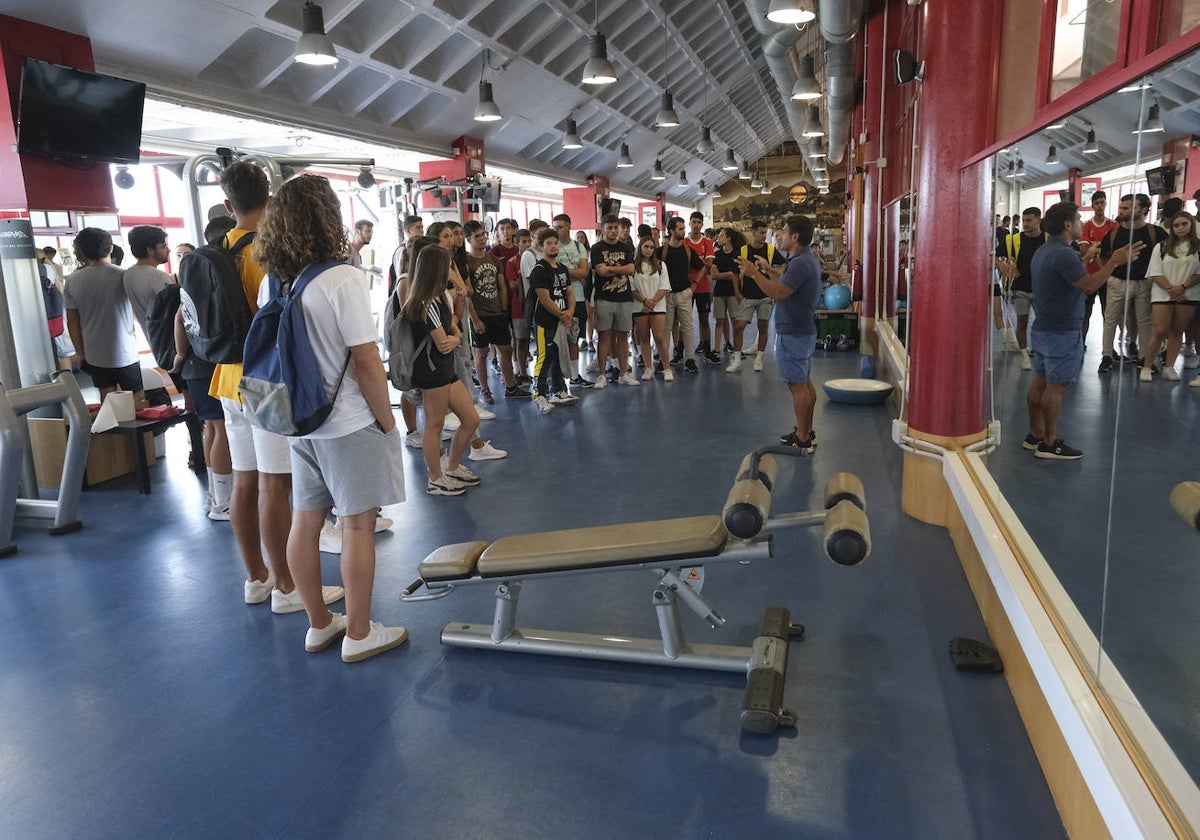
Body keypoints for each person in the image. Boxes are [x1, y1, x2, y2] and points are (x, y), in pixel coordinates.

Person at [254, 174, 406, 662]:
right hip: (347, 422)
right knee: (358, 528)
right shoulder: (343, 279)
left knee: (306, 521)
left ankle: (319, 624)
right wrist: (388, 422)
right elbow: (365, 362)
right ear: (329, 218)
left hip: (300, 420)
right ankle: (360, 633)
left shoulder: (273, 281)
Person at [208, 162, 342, 612]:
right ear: (270, 198)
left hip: (226, 380)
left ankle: (256, 578)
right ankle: (287, 587)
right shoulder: (266, 253)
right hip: (266, 380)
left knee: (244, 483)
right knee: (275, 484)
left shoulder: (220, 249)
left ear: (229, 204)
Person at [1024, 202, 1143, 460]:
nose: (1081, 223)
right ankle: (1049, 442)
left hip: (1044, 327)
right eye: (1078, 219)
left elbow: (1062, 276)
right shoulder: (1064, 255)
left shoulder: (1046, 251)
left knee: (1041, 381)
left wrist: (1085, 259)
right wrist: (1113, 262)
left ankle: (1034, 434)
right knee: (1056, 387)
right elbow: (1088, 286)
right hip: (1062, 331)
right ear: (1068, 225)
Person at [735, 215, 823, 454]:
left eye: (783, 232)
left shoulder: (800, 262)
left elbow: (780, 292)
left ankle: (803, 438)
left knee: (798, 386)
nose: (779, 236)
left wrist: (754, 274)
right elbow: (785, 282)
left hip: (793, 333)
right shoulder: (802, 260)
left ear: (795, 237)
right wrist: (767, 269)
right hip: (800, 330)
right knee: (803, 383)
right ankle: (806, 431)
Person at [402, 245, 482, 495]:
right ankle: (435, 477)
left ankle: (453, 466)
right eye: (447, 266)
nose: (451, 270)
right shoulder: (423, 303)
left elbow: (455, 329)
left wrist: (455, 336)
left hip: (446, 370)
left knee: (471, 419)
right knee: (434, 424)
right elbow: (444, 342)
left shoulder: (438, 298)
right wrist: (455, 337)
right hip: (433, 371)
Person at [63, 227, 142, 400]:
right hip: (125, 351)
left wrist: (80, 353)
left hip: (94, 353)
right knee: (137, 400)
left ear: (82, 251)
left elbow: (72, 321)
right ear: (111, 248)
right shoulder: (124, 275)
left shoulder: (72, 280)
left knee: (109, 401)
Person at [1097, 194, 1168, 372]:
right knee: (1110, 319)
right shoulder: (1113, 233)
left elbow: (1169, 254)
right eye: (1121, 207)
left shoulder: (1155, 233)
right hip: (1117, 282)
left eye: (1127, 208)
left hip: (1144, 283)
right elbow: (1100, 253)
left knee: (1145, 321)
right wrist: (1107, 273)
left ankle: (1145, 357)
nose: (1122, 211)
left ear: (1143, 209)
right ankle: (1106, 355)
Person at [463, 220, 526, 401]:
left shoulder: (494, 260)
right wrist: (475, 319)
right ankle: (485, 390)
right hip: (480, 314)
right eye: (477, 236)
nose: (482, 239)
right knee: (481, 353)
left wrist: (504, 309)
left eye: (483, 235)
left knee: (506, 350)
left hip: (497, 313)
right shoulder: (467, 262)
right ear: (469, 240)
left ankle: (511, 387)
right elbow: (467, 294)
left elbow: (502, 287)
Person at [1141, 211, 1200, 383]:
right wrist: (1171, 289)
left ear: (1191, 225)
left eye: (1184, 224)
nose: (1180, 228)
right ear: (1171, 227)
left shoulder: (1197, 247)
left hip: (1188, 295)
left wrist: (1182, 287)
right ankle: (1146, 366)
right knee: (1160, 330)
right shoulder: (1162, 247)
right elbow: (1155, 272)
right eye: (1176, 225)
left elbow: (1198, 273)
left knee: (1177, 332)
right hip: (1162, 294)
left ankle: (1169, 367)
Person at [529, 227, 578, 412]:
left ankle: (558, 391)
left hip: (561, 321)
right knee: (544, 357)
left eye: (555, 243)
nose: (552, 246)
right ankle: (539, 395)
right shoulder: (539, 270)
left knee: (558, 355)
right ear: (541, 247)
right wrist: (562, 315)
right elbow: (545, 299)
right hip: (545, 322)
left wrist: (570, 311)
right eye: (548, 243)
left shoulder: (563, 268)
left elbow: (570, 292)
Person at [996, 207, 1048, 371]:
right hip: (1020, 288)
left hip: (1043, 290)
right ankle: (1025, 356)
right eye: (1023, 220)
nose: (1025, 224)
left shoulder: (1048, 239)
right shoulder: (1013, 239)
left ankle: (1042, 352)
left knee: (1043, 323)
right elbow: (994, 255)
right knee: (1022, 322)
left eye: (1029, 220)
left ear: (1038, 220)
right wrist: (1003, 266)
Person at [730, 220, 784, 373]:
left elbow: (784, 263)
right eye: (761, 232)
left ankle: (759, 358)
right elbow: (734, 273)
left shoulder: (771, 250)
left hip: (765, 296)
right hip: (747, 296)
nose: (763, 236)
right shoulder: (743, 250)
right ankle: (737, 359)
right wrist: (737, 292)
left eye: (765, 233)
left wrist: (776, 273)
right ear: (753, 233)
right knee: (738, 326)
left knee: (763, 327)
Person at [660, 216, 706, 374]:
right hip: (666, 295)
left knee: (687, 327)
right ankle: (663, 359)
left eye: (683, 228)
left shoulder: (688, 251)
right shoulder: (662, 251)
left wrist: (694, 285)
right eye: (680, 229)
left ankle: (690, 359)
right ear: (672, 231)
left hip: (684, 293)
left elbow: (702, 267)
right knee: (665, 329)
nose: (683, 231)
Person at [551, 214, 592, 386]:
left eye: (560, 226)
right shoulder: (553, 247)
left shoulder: (578, 246)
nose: (557, 230)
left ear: (568, 226)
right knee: (557, 340)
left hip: (578, 297)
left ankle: (575, 376)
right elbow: (554, 272)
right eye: (555, 227)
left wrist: (564, 272)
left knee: (574, 338)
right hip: (559, 299)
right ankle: (557, 379)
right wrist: (572, 273)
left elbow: (584, 272)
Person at [1079, 191, 1117, 348]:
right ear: (1092, 205)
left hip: (1108, 276)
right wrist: (1100, 248)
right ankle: (1080, 342)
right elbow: (1084, 250)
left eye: (1102, 202)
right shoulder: (1087, 225)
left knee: (1108, 314)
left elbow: (1115, 250)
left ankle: (1108, 349)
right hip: (1089, 275)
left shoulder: (1113, 225)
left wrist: (1095, 247)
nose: (1100, 206)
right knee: (1085, 312)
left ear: (1106, 203)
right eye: (1097, 203)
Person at [631, 237, 672, 382]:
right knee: (644, 338)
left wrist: (652, 302)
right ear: (640, 247)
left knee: (659, 338)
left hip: (658, 306)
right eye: (646, 246)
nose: (648, 250)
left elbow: (664, 286)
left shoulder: (661, 265)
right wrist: (644, 301)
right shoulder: (634, 266)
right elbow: (632, 288)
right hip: (639, 306)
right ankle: (649, 367)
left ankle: (667, 368)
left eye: (651, 247)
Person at [685, 212, 718, 364]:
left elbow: (710, 264)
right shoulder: (684, 242)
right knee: (684, 320)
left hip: (703, 287)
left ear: (702, 224)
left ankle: (707, 350)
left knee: (704, 319)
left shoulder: (707, 242)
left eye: (699, 222)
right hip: (686, 286)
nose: (696, 225)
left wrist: (694, 262)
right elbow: (683, 264)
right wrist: (701, 261)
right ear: (689, 223)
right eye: (694, 222)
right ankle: (681, 351)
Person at [711, 228, 746, 358]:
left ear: (729, 238)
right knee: (719, 321)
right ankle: (716, 349)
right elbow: (714, 275)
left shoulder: (737, 255)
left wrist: (729, 276)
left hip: (733, 292)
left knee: (735, 321)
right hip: (719, 292)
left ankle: (738, 349)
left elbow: (739, 276)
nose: (718, 238)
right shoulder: (717, 255)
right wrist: (728, 274)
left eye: (721, 236)